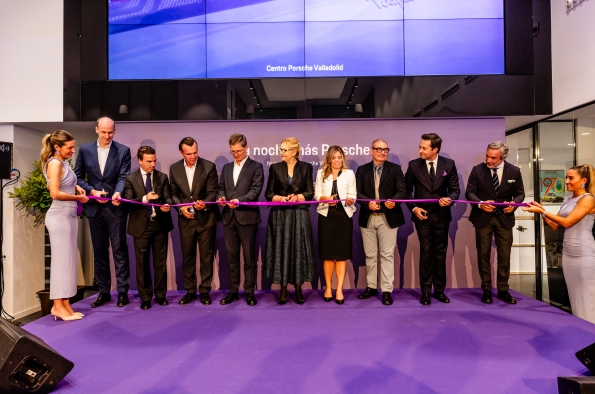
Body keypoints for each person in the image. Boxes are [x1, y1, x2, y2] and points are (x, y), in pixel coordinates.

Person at [523, 165, 595, 323]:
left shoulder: (588, 199)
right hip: (569, 254)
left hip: (584, 254)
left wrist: (542, 212)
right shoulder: (569, 199)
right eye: (567, 177)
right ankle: (582, 333)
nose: (566, 181)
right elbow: (556, 225)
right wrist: (541, 209)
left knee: (587, 299)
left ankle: (590, 336)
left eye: (571, 178)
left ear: (583, 181)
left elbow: (568, 221)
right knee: (575, 298)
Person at [75, 116, 131, 308]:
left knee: (119, 250)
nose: (107, 136)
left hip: (115, 207)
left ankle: (122, 291)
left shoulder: (123, 150)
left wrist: (118, 192)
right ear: (96, 130)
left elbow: (124, 176)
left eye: (111, 132)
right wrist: (92, 191)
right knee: (99, 251)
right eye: (104, 132)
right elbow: (78, 176)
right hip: (94, 208)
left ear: (114, 131)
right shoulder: (84, 150)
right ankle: (104, 291)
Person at [465, 141, 525, 304]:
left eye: (493, 157)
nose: (488, 160)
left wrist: (513, 205)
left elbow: (520, 194)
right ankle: (486, 290)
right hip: (483, 218)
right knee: (483, 255)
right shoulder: (478, 170)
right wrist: (480, 203)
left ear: (503, 157)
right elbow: (470, 193)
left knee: (504, 256)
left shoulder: (514, 171)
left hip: (504, 219)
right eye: (487, 155)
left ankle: (503, 290)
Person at [405, 133, 460, 305]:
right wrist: (414, 208)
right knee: (426, 253)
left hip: (442, 216)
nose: (420, 150)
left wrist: (449, 199)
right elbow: (406, 192)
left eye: (424, 148)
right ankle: (426, 292)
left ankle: (440, 291)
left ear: (435, 149)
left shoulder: (448, 164)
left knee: (440, 254)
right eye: (420, 147)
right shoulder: (413, 165)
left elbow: (455, 191)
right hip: (422, 217)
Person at [42, 130, 89, 321]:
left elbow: (52, 185)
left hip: (68, 216)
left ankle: (65, 303)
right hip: (59, 216)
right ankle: (57, 306)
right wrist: (78, 196)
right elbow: (54, 193)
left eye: (73, 146)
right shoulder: (54, 163)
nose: (72, 150)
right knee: (61, 263)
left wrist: (74, 187)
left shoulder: (62, 163)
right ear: (57, 147)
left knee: (68, 263)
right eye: (69, 147)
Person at [169, 137, 221, 306]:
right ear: (181, 153)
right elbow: (173, 194)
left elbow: (213, 191)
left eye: (195, 152)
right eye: (189, 153)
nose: (193, 156)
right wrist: (180, 208)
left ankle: (205, 291)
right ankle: (190, 291)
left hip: (206, 219)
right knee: (188, 257)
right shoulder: (174, 169)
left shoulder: (209, 166)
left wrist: (204, 202)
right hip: (186, 220)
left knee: (206, 258)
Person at [264, 137, 316, 305]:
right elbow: (268, 194)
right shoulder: (275, 168)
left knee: (298, 250)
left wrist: (298, 197)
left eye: (284, 150)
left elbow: (310, 192)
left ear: (294, 152)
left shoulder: (306, 168)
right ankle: (283, 290)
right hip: (280, 215)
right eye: (281, 150)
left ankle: (299, 288)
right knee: (282, 250)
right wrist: (281, 198)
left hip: (300, 214)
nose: (281, 153)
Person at [356, 139, 407, 306]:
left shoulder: (395, 169)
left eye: (385, 149)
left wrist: (395, 201)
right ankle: (371, 287)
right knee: (370, 255)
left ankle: (386, 290)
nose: (382, 152)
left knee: (387, 255)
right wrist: (367, 202)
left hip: (388, 217)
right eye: (379, 149)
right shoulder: (362, 170)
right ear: (371, 151)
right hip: (368, 217)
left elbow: (402, 191)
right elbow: (357, 192)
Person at [123, 146, 174, 310]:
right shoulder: (130, 179)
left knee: (160, 263)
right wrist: (145, 198)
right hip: (141, 227)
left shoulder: (162, 177)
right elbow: (128, 202)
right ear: (140, 160)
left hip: (160, 224)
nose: (153, 164)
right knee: (142, 263)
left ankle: (160, 295)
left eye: (154, 161)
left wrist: (167, 205)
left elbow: (168, 197)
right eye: (149, 161)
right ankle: (145, 297)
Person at [217, 134, 264, 306]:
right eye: (233, 151)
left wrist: (240, 200)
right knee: (232, 258)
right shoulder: (227, 168)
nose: (236, 154)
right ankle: (233, 291)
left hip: (247, 218)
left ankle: (250, 292)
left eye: (238, 151)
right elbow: (221, 188)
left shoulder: (256, 167)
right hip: (229, 219)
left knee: (249, 258)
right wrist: (221, 198)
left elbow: (255, 190)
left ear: (246, 148)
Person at [314, 146, 356, 305]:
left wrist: (350, 200)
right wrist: (326, 198)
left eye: (339, 157)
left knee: (341, 255)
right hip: (327, 217)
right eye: (334, 157)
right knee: (328, 255)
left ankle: (339, 289)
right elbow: (317, 194)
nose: (337, 160)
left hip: (343, 217)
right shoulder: (321, 173)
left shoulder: (349, 174)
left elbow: (353, 195)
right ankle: (328, 288)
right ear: (329, 159)